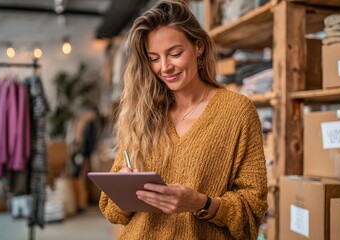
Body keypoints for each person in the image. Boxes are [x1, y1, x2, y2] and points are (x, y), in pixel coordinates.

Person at [99, 0, 268, 239]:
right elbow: (112, 213)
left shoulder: (238, 112)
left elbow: (252, 210)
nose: (165, 67)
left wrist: (201, 203)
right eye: (154, 58)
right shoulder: (143, 113)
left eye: (175, 54)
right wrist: (123, 186)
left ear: (198, 47)